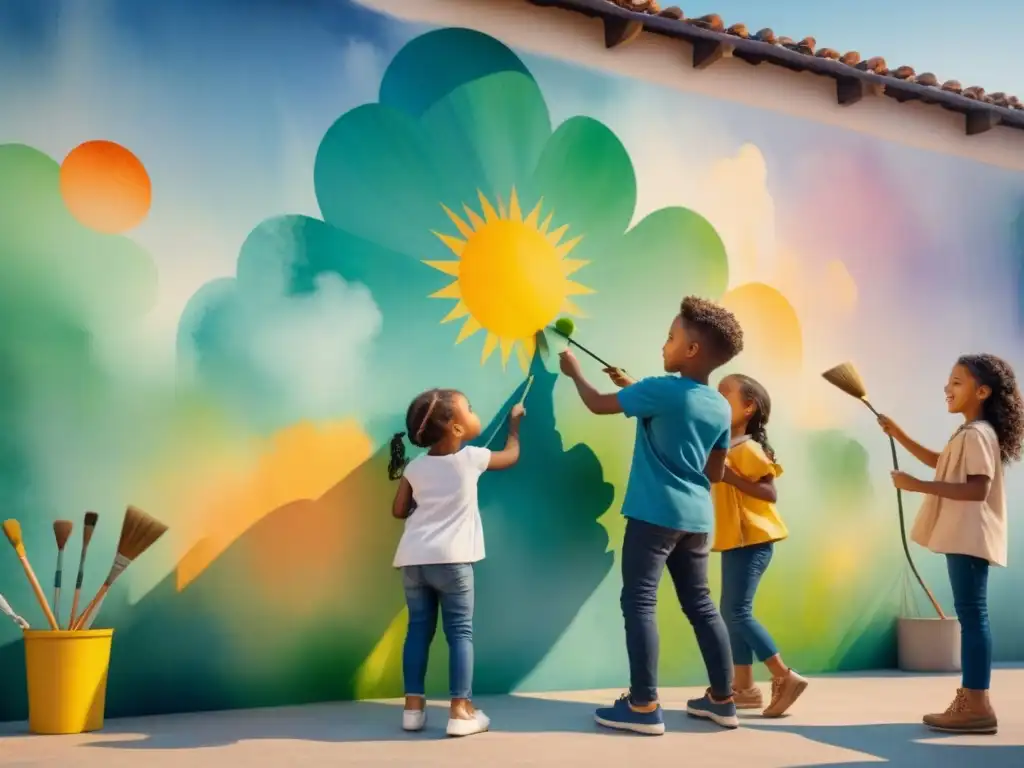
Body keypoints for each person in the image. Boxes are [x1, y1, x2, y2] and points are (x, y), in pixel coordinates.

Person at [559, 296, 744, 735]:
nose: (665, 344)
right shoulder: (719, 405)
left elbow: (597, 404)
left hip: (653, 514)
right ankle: (723, 700)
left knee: (640, 602)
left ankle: (643, 706)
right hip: (696, 520)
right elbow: (714, 471)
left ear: (692, 350)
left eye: (671, 337)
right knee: (700, 605)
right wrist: (639, 391)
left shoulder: (661, 389)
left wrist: (575, 373)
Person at [878, 354, 1023, 735]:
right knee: (972, 614)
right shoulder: (972, 432)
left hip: (970, 535)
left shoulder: (976, 434)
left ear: (983, 391)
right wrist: (899, 435)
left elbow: (977, 488)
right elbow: (942, 463)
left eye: (957, 382)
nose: (948, 387)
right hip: (967, 535)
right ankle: (974, 701)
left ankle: (976, 704)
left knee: (973, 616)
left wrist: (916, 486)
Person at [388, 388, 526, 737]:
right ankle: (460, 710)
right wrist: (514, 426)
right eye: (470, 408)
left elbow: (399, 510)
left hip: (414, 561)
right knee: (460, 633)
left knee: (418, 630)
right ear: (457, 429)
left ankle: (413, 709)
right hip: (453, 562)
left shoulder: (415, 468)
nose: (474, 412)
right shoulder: (472, 458)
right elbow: (511, 457)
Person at [713, 374, 807, 717]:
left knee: (737, 613)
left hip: (753, 539)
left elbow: (769, 493)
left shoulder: (747, 448)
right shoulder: (729, 445)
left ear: (748, 407)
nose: (716, 398)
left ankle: (784, 675)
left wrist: (730, 475)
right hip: (736, 541)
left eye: (724, 394)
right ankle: (744, 688)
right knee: (731, 613)